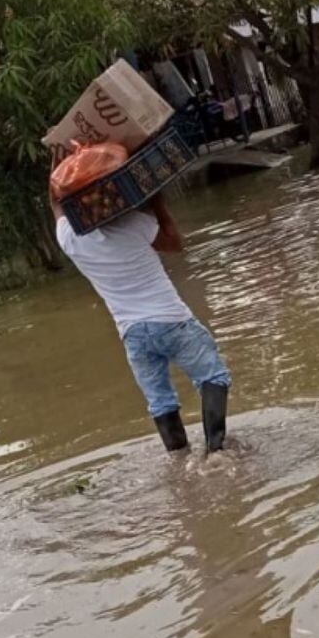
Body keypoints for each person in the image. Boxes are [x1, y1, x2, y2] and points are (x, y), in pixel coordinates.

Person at [53, 187, 231, 454]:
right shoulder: (135, 224)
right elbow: (174, 243)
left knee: (161, 403)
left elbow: (55, 200)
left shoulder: (71, 239)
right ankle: (216, 453)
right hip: (172, 321)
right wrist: (158, 202)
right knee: (213, 378)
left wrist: (58, 158)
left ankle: (180, 462)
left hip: (133, 335)